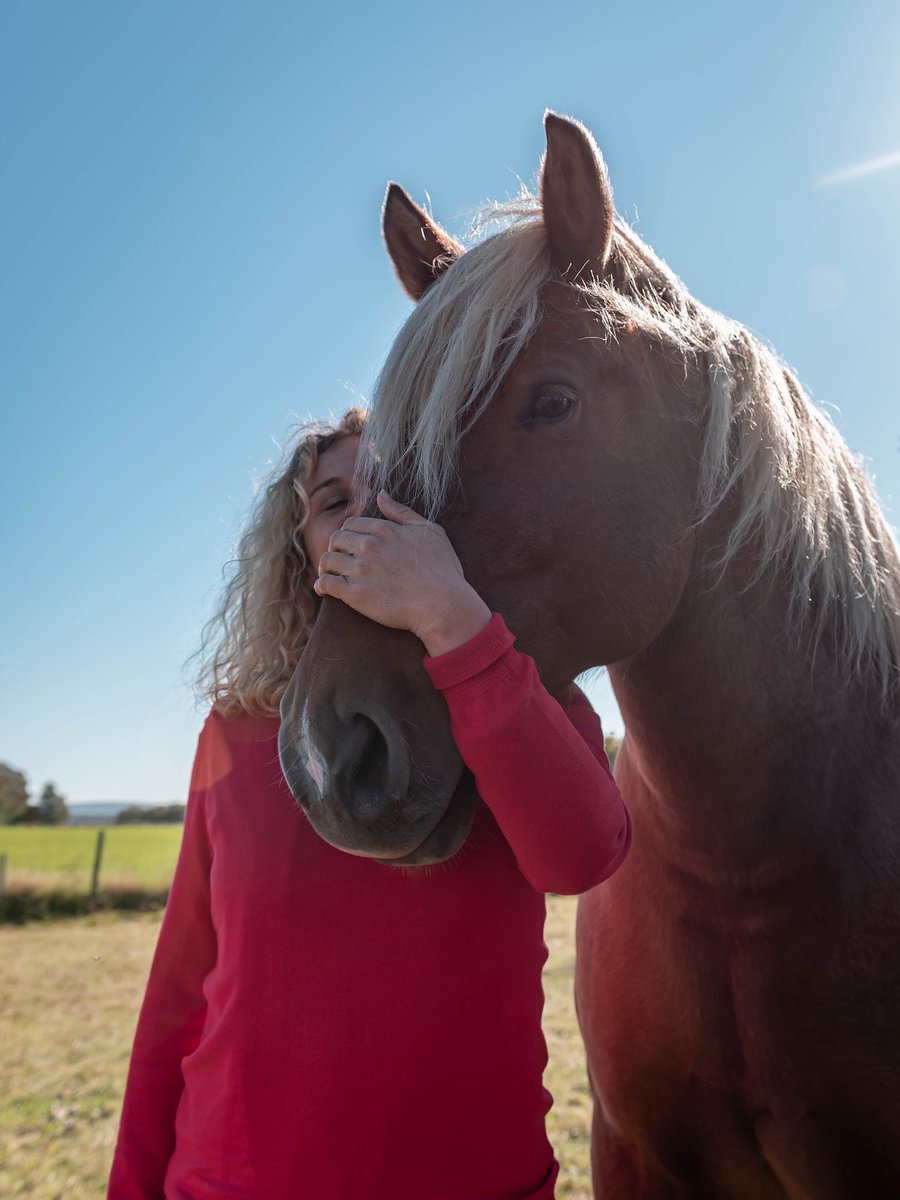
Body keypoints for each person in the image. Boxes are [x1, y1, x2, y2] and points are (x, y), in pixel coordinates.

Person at [108, 406, 631, 1200]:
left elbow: (580, 856)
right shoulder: (240, 729)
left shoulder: (524, 698)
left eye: (392, 492)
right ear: (302, 554)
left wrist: (453, 620)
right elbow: (180, 994)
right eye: (331, 501)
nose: (363, 518)